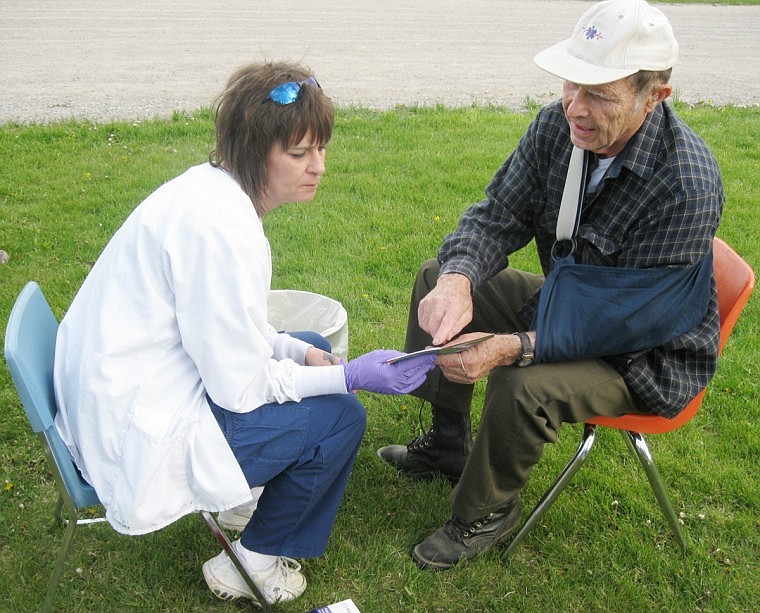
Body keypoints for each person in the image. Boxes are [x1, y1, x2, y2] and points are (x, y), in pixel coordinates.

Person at [53, 61, 435, 605]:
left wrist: (300, 350)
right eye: (299, 154)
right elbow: (239, 388)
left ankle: (241, 499)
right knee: (342, 418)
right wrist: (349, 377)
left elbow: (231, 328)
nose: (319, 167)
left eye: (320, 148)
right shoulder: (222, 232)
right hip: (132, 435)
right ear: (255, 151)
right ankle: (248, 567)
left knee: (314, 349)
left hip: (122, 388)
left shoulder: (208, 190)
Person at [376, 0, 724, 571]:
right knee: (435, 281)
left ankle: (485, 511)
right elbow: (497, 215)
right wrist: (460, 280)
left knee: (521, 385)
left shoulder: (686, 182)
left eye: (601, 95)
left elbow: (626, 324)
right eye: (572, 84)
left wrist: (513, 346)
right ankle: (446, 441)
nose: (575, 107)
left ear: (653, 97)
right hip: (574, 302)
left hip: (642, 354)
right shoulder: (556, 127)